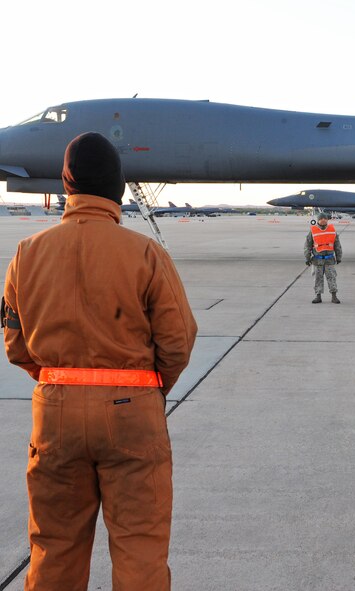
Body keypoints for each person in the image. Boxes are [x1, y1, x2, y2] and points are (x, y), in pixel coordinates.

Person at [2, 132, 198, 591]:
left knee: (54, 548)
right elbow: (178, 342)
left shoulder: (26, 254)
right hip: (133, 414)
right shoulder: (146, 253)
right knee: (140, 550)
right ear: (118, 187)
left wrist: (59, 382)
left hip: (55, 416)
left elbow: (15, 344)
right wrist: (144, 388)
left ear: (67, 186)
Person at [305, 212, 342, 303]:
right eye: (321, 218)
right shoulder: (313, 230)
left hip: (329, 260)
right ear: (318, 220)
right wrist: (307, 257)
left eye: (325, 218)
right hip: (317, 260)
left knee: (332, 278)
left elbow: (337, 245)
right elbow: (307, 246)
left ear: (327, 220)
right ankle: (318, 296)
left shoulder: (332, 230)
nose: (323, 220)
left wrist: (339, 257)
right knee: (318, 278)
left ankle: (334, 296)